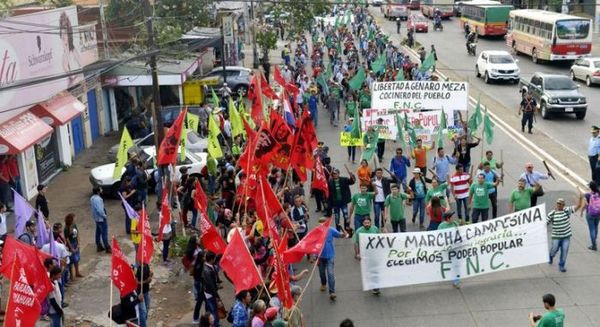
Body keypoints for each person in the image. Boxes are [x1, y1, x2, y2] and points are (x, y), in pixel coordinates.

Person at [548, 193, 584, 272]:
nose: (559, 205)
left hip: (566, 237)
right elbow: (545, 223)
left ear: (563, 205)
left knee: (564, 251)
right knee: (554, 249)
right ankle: (551, 256)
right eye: (558, 203)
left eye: (560, 204)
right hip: (556, 237)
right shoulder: (552, 213)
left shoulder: (566, 211)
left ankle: (561, 265)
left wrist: (580, 199)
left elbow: (577, 207)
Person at [318, 217, 347, 301]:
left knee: (330, 273)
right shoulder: (316, 232)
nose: (322, 224)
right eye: (320, 222)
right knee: (322, 273)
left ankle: (332, 292)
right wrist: (314, 256)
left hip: (330, 256)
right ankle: (323, 283)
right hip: (320, 257)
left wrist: (344, 234)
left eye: (324, 222)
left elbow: (340, 235)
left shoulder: (331, 230)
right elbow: (312, 244)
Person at [327, 167, 356, 232]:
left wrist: (352, 176)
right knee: (337, 217)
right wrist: (329, 203)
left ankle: (346, 228)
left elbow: (352, 181)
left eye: (336, 174)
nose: (335, 175)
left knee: (345, 216)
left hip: (343, 202)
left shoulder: (344, 179)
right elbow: (329, 192)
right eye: (334, 174)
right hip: (335, 203)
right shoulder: (330, 181)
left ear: (339, 174)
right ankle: (337, 230)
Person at [437, 211, 461, 288]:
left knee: (455, 264)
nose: (453, 218)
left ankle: (456, 281)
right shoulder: (441, 226)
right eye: (452, 217)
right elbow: (438, 237)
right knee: (446, 264)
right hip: (446, 249)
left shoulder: (455, 224)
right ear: (447, 218)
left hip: (454, 249)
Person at [90, 186, 111, 253]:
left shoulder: (92, 198)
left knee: (98, 232)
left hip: (96, 218)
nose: (102, 190)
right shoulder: (98, 199)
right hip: (101, 218)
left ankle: (99, 245)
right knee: (104, 233)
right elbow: (100, 210)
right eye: (101, 189)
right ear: (98, 191)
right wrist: (104, 216)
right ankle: (107, 247)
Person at [203, 251, 221, 326]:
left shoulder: (209, 266)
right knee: (214, 311)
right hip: (210, 293)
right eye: (214, 259)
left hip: (209, 292)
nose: (214, 260)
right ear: (211, 259)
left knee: (210, 309)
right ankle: (215, 324)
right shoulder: (207, 270)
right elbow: (211, 285)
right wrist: (217, 296)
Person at [64, 213, 83, 279]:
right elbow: (67, 239)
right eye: (74, 218)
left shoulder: (74, 225)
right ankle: (72, 275)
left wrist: (78, 243)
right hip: (71, 244)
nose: (75, 219)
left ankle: (77, 272)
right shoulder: (66, 228)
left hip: (75, 242)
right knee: (71, 260)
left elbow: (77, 234)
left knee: (77, 259)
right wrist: (71, 248)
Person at [583, 181, 600, 251]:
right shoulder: (599, 193)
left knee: (592, 229)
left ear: (590, 187)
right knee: (596, 227)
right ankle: (594, 241)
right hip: (598, 214)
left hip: (590, 214)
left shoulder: (587, 195)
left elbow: (585, 205)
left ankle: (594, 245)